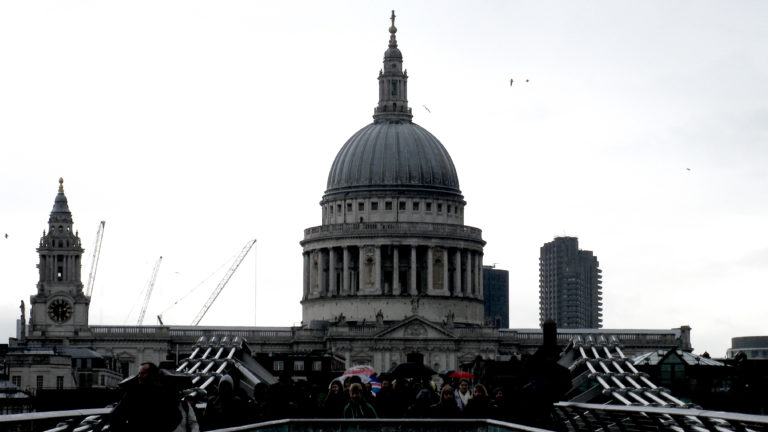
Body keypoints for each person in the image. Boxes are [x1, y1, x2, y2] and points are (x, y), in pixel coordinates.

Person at [111, 362, 182, 432]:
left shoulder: (133, 392)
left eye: (142, 373)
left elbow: (116, 415)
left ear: (152, 375)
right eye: (139, 373)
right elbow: (176, 417)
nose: (139, 376)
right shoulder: (166, 393)